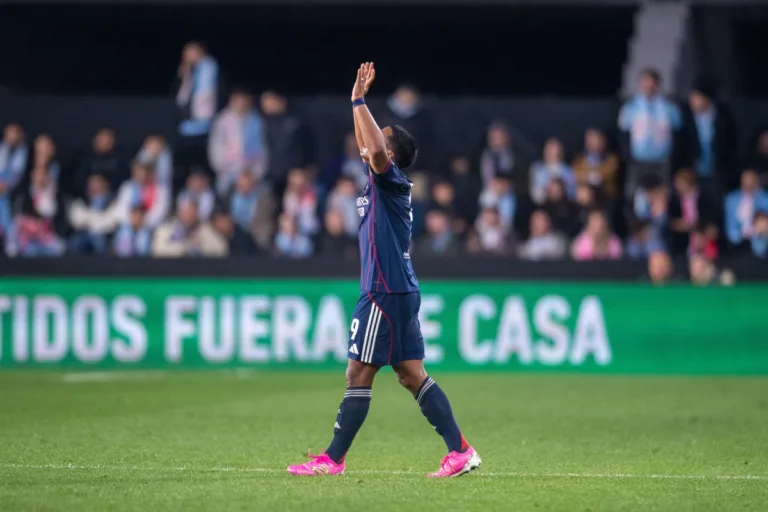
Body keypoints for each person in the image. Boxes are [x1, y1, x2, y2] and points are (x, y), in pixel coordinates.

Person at [287, 63, 479, 478]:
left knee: (358, 372)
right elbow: (369, 144)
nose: (369, 139)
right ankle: (460, 450)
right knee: (411, 374)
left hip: (382, 289)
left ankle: (332, 459)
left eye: (380, 136)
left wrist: (360, 100)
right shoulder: (382, 180)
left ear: (389, 155)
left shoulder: (388, 177)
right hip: (399, 288)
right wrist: (353, 101)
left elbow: (373, 149)